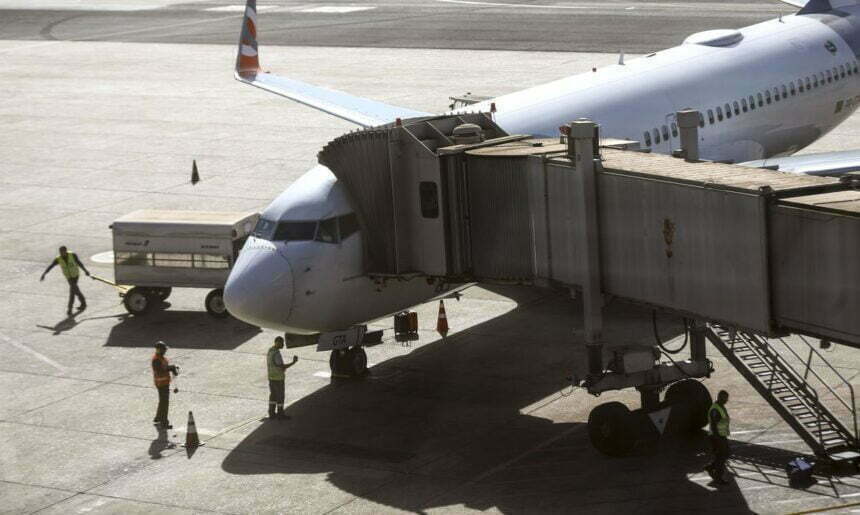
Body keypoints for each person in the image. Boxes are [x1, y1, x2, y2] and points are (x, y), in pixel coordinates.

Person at [40, 246, 90, 316]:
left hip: (75, 275)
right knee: (74, 290)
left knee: (73, 291)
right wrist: (44, 274)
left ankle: (71, 308)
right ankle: (81, 304)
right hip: (68, 277)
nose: (61, 254)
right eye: (60, 252)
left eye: (62, 252)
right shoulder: (58, 259)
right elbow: (51, 266)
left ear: (66, 251)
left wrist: (85, 271)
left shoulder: (72, 255)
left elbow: (79, 263)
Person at [267, 337, 298, 419]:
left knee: (273, 395)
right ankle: (280, 414)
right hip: (278, 379)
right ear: (277, 342)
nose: (283, 345)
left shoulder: (270, 351)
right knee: (280, 396)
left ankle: (271, 412)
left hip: (271, 377)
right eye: (281, 343)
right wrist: (293, 362)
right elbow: (282, 367)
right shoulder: (276, 354)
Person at [705, 390, 731, 485]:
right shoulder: (715, 409)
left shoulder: (720, 406)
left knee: (725, 453)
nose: (726, 400)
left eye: (727, 398)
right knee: (722, 456)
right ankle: (718, 478)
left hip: (721, 435)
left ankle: (711, 466)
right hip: (717, 436)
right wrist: (718, 439)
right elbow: (713, 425)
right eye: (725, 398)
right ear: (719, 397)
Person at [152, 341, 178, 429]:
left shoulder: (161, 358)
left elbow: (165, 367)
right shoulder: (156, 360)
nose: (165, 351)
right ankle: (164, 423)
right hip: (161, 384)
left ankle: (158, 418)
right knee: (164, 403)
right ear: (159, 350)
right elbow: (160, 370)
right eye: (164, 349)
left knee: (162, 401)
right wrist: (170, 368)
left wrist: (172, 368)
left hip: (164, 383)